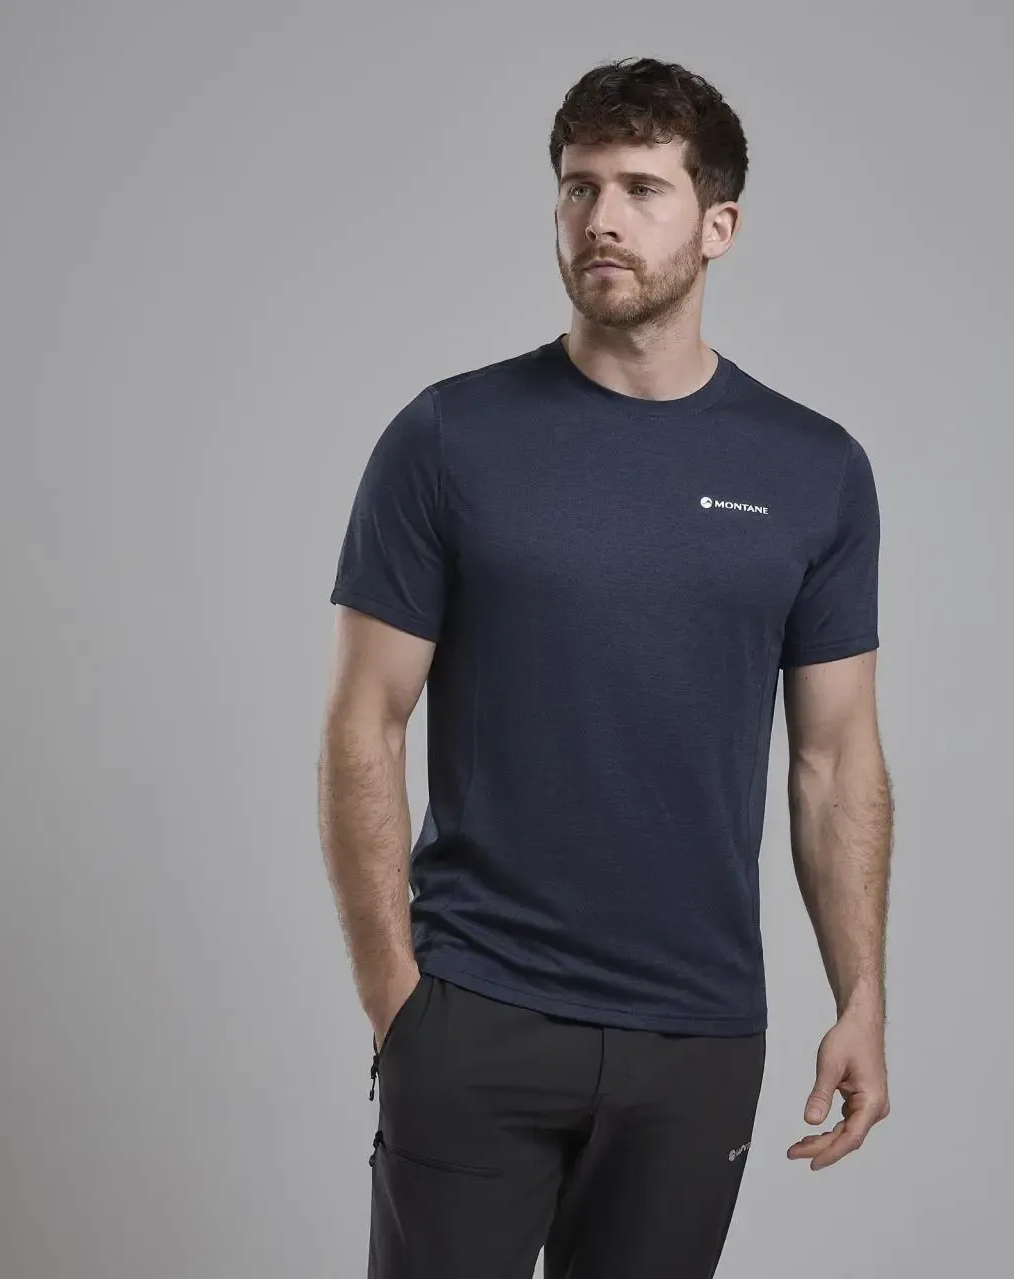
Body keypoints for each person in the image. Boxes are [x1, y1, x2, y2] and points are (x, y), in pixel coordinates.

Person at [317, 54, 893, 1279]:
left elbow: (836, 759)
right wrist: (396, 1001)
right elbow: (364, 719)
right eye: (578, 188)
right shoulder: (447, 437)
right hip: (476, 1013)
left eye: (640, 188)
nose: (601, 220)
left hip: (696, 1033)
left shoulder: (813, 469)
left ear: (717, 224)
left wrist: (860, 994)